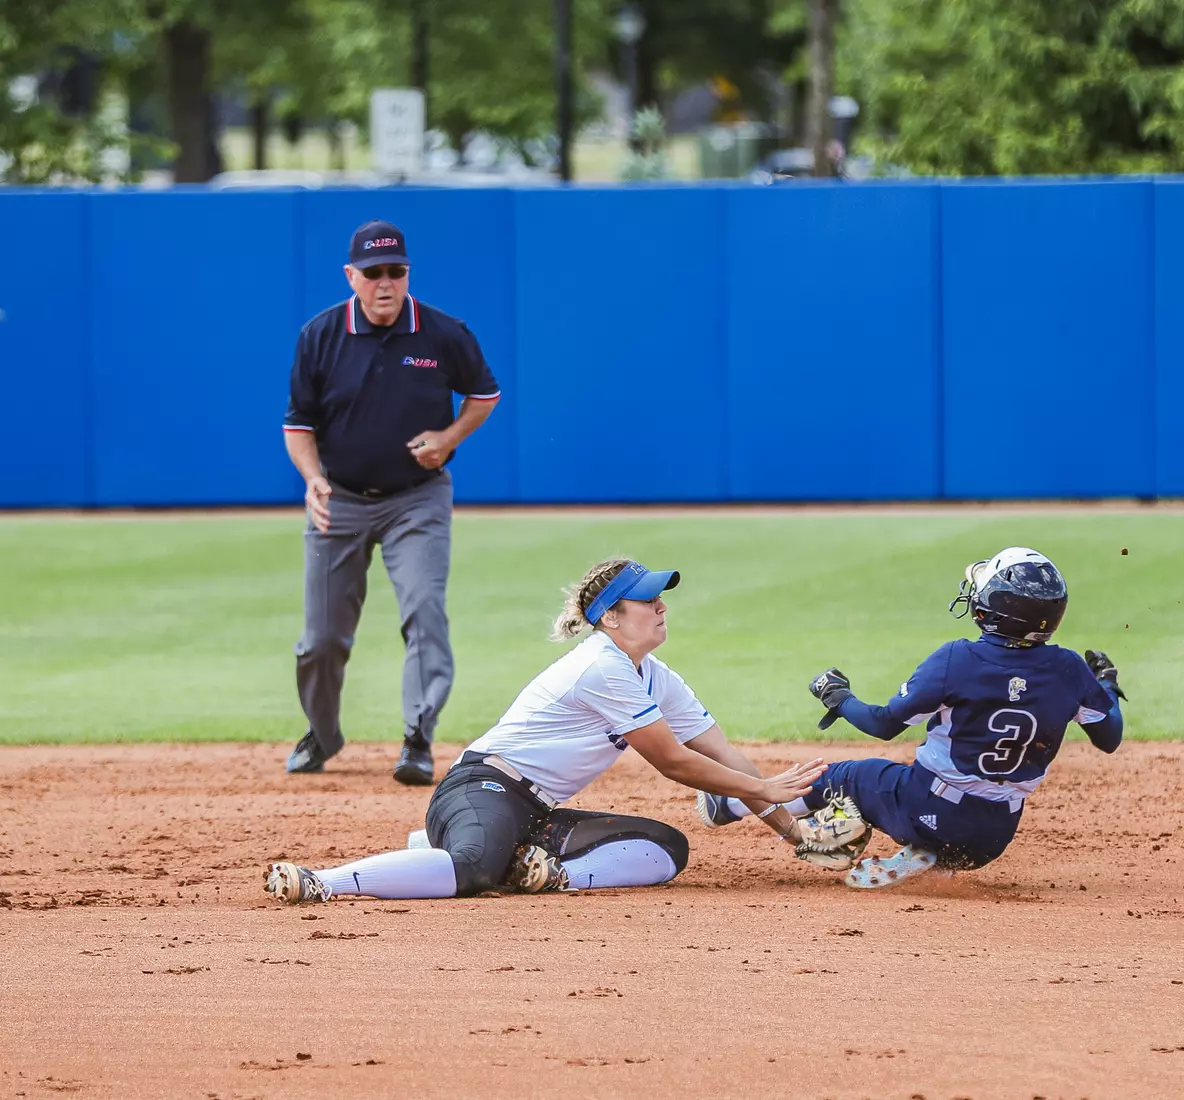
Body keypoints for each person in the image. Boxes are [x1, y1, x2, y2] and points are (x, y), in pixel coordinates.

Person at [264, 558, 840, 903]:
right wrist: (764, 789)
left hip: (533, 811)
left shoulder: (656, 678)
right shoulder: (601, 667)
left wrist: (795, 835)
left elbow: (723, 756)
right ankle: (326, 882)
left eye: (661, 597)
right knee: (476, 871)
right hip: (482, 788)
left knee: (667, 849)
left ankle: (550, 872)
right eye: (647, 599)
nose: (662, 606)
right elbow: (674, 762)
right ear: (610, 617)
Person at [698, 548, 1125, 889]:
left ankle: (730, 804)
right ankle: (931, 859)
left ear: (992, 608)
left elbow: (883, 724)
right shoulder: (1070, 669)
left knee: (844, 776)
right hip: (994, 835)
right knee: (917, 794)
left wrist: (838, 697)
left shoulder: (958, 659)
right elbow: (1109, 737)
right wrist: (1105, 684)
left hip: (930, 809)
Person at [282, 219, 501, 785]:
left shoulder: (443, 332)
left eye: (395, 271)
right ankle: (321, 733)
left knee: (425, 612)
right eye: (373, 272)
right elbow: (299, 424)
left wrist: (448, 438)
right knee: (321, 639)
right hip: (340, 500)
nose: (385, 282)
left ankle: (418, 737)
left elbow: (484, 393)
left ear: (408, 274)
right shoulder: (320, 335)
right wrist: (312, 478)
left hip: (417, 499)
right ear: (351, 276)